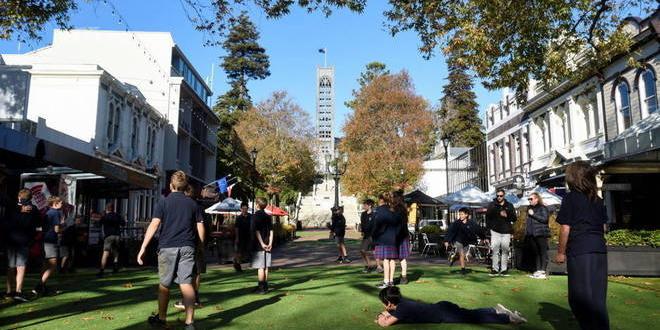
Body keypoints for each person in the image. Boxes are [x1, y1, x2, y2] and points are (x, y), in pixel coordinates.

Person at [137, 171, 205, 330]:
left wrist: (143, 247)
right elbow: (200, 226)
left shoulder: (163, 202)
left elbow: (154, 225)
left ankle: (161, 318)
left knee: (164, 284)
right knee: (186, 283)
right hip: (188, 246)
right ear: (185, 187)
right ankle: (190, 322)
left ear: (170, 186)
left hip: (167, 246)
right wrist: (200, 246)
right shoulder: (193, 204)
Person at [553, 161, 609, 330]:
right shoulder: (598, 200)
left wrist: (561, 252)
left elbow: (565, 227)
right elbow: (603, 226)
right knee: (598, 298)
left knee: (579, 296)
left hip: (580, 249)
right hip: (599, 249)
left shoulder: (570, 198)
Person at [375, 286, 526, 327]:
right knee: (470, 314)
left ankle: (508, 318)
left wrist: (382, 318)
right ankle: (495, 309)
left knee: (473, 319)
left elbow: (385, 324)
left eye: (384, 303)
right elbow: (388, 314)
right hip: (442, 307)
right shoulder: (402, 304)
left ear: (389, 303)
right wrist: (384, 313)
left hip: (444, 314)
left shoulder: (401, 309)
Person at [5, 189, 40, 302]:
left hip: (11, 240)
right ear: (30, 197)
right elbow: (38, 223)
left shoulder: (12, 209)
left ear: (19, 196)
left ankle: (9, 291)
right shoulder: (33, 209)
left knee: (10, 266)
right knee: (21, 267)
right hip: (24, 241)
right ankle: (18, 291)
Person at [33, 196, 63, 296]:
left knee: (45, 264)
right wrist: (63, 226)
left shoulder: (48, 212)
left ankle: (42, 287)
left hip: (45, 239)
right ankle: (39, 286)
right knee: (53, 265)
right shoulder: (55, 213)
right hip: (51, 240)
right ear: (55, 203)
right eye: (60, 203)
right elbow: (57, 230)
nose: (62, 204)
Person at [444, 207, 487, 275]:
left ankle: (455, 257)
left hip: (466, 242)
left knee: (464, 256)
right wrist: (447, 240)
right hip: (458, 240)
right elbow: (450, 231)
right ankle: (463, 269)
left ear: (466, 215)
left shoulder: (471, 223)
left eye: (462, 214)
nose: (460, 216)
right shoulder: (456, 223)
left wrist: (483, 238)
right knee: (462, 254)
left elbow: (479, 230)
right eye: (459, 214)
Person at [486, 188, 516, 276]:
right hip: (495, 231)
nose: (499, 197)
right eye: (497, 196)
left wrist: (507, 215)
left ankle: (504, 269)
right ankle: (495, 269)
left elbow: (514, 218)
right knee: (495, 250)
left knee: (505, 250)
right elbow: (488, 218)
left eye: (501, 196)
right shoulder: (492, 205)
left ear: (504, 196)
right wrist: (488, 231)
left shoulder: (509, 205)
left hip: (506, 231)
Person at [371, 193, 398, 289]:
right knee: (392, 260)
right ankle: (391, 281)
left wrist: (374, 235)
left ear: (380, 200)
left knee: (386, 260)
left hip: (383, 238)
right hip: (393, 237)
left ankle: (386, 282)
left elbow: (377, 225)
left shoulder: (379, 210)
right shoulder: (393, 210)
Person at [96, 202, 125, 277]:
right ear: (113, 208)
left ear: (106, 209)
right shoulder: (117, 215)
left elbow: (98, 224)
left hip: (108, 236)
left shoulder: (105, 216)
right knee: (115, 252)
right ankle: (115, 267)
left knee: (105, 253)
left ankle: (102, 269)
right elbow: (123, 223)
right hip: (117, 235)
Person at [526, 192, 550, 279]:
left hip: (541, 232)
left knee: (542, 252)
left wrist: (533, 214)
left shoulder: (542, 207)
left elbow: (545, 219)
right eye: (529, 199)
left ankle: (543, 271)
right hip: (532, 233)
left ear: (537, 199)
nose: (529, 200)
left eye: (531, 199)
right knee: (536, 253)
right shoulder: (529, 208)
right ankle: (538, 270)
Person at [251, 197, 273, 294]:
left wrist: (262, 244)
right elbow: (272, 231)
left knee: (260, 267)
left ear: (257, 205)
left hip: (259, 245)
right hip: (268, 243)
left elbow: (256, 231)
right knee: (266, 266)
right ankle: (265, 285)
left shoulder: (255, 216)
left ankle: (261, 288)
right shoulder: (268, 216)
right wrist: (270, 243)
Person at [391, 191, 410, 285]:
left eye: (393, 197)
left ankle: (395, 278)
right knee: (401, 258)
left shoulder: (397, 209)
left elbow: (397, 224)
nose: (392, 199)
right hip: (403, 235)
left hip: (399, 236)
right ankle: (403, 277)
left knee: (395, 257)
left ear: (397, 198)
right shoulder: (403, 208)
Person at [233, 201, 252, 272]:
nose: (244, 210)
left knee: (248, 251)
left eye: (246, 208)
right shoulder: (239, 218)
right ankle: (237, 264)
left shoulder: (251, 216)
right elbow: (236, 228)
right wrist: (237, 238)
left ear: (247, 209)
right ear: (241, 209)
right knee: (239, 252)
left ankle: (238, 263)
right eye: (243, 208)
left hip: (249, 236)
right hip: (240, 237)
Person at [359, 199, 376, 273]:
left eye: (365, 205)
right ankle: (368, 265)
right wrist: (362, 231)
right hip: (366, 236)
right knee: (362, 251)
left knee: (374, 252)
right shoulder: (363, 214)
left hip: (373, 235)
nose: (364, 206)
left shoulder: (375, 214)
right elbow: (363, 224)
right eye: (363, 205)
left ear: (370, 206)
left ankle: (377, 266)